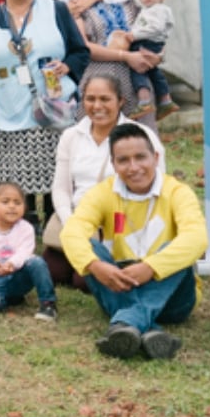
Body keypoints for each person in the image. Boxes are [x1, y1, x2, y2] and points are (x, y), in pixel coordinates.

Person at [61, 122, 207, 360]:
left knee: (178, 248)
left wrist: (151, 268)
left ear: (156, 157)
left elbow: (197, 238)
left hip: (173, 298)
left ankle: (125, 322)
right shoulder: (102, 192)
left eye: (141, 157)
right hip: (120, 282)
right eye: (123, 160)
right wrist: (96, 266)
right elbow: (72, 232)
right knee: (91, 248)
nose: (134, 167)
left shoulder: (178, 192)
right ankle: (149, 333)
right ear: (113, 164)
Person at [0, 0, 87, 217]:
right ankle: (25, 225)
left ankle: (59, 223)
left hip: (54, 110)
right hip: (8, 109)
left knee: (59, 174)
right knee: (16, 180)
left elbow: (80, 52)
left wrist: (66, 66)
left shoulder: (56, 9)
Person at [45, 74, 166, 287]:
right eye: (90, 99)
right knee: (51, 271)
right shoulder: (71, 136)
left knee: (84, 281)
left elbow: (157, 188)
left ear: (121, 101)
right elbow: (61, 188)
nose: (97, 106)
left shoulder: (141, 136)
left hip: (120, 225)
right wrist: (71, 222)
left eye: (105, 99)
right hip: (79, 221)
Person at [64, 0, 158, 126]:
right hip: (95, 83)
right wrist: (126, 56)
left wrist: (155, 55)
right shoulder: (75, 2)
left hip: (135, 82)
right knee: (98, 141)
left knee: (138, 139)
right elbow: (83, 46)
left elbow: (149, 30)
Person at [0, 180, 56, 320]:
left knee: (37, 261)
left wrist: (11, 263)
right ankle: (7, 298)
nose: (12, 206)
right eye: (5, 202)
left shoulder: (26, 228)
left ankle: (48, 304)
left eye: (17, 203)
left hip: (19, 274)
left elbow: (25, 252)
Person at [124, 0, 178, 117]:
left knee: (138, 70)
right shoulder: (148, 10)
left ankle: (144, 101)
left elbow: (156, 28)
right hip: (151, 43)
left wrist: (134, 35)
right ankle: (165, 100)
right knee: (154, 72)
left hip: (147, 43)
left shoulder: (159, 10)